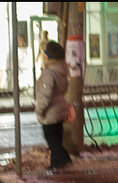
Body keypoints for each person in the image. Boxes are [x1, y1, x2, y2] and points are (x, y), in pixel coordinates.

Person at [34, 40, 71, 171]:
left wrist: (39, 110)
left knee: (52, 140)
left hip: (50, 112)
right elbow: (64, 89)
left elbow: (45, 95)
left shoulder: (49, 74)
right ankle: (55, 163)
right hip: (60, 110)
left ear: (48, 57)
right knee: (57, 138)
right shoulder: (62, 72)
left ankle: (64, 159)